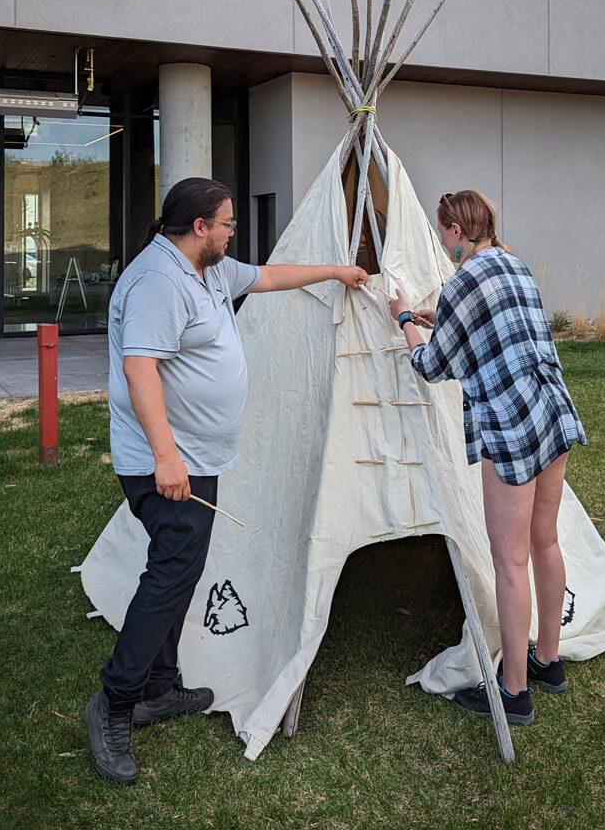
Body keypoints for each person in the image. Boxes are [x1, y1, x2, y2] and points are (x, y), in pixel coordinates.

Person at [86, 176, 367, 785]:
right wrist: (166, 457)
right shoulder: (159, 282)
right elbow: (140, 371)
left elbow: (268, 276)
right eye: (227, 223)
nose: (232, 231)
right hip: (165, 462)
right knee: (171, 574)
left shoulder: (208, 269)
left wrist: (338, 271)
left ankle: (159, 686)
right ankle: (114, 701)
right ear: (198, 229)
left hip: (198, 456)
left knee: (180, 567)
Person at [389, 190, 586, 727]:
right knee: (546, 542)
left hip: (511, 427)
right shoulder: (512, 263)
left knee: (509, 561)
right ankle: (549, 662)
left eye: (442, 230)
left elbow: (430, 365)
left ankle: (514, 691)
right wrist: (441, 317)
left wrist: (405, 318)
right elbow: (499, 333)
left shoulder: (461, 283)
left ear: (454, 230)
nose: (442, 240)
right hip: (550, 409)